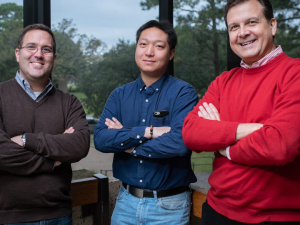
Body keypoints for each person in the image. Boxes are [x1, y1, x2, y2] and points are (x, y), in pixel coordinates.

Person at [182, 0, 300, 224]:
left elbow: (280, 144)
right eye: (234, 27)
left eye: (252, 22)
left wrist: (223, 146)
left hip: (277, 218)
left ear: (272, 25)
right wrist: (253, 130)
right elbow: (190, 132)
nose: (243, 33)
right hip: (216, 212)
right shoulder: (223, 82)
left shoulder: (295, 74)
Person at [94, 20, 197, 224]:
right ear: (136, 48)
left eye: (159, 46)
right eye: (143, 44)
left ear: (171, 53)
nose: (149, 52)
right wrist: (149, 131)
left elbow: (180, 143)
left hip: (170, 207)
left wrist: (129, 144)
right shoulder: (119, 95)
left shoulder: (183, 93)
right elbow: (101, 139)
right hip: (125, 202)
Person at [0, 24, 90, 224]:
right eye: (31, 47)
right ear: (17, 54)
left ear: (54, 58)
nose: (38, 54)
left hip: (59, 216)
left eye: (46, 49)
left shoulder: (70, 103)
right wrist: (53, 161)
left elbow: (79, 146)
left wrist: (26, 140)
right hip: (8, 217)